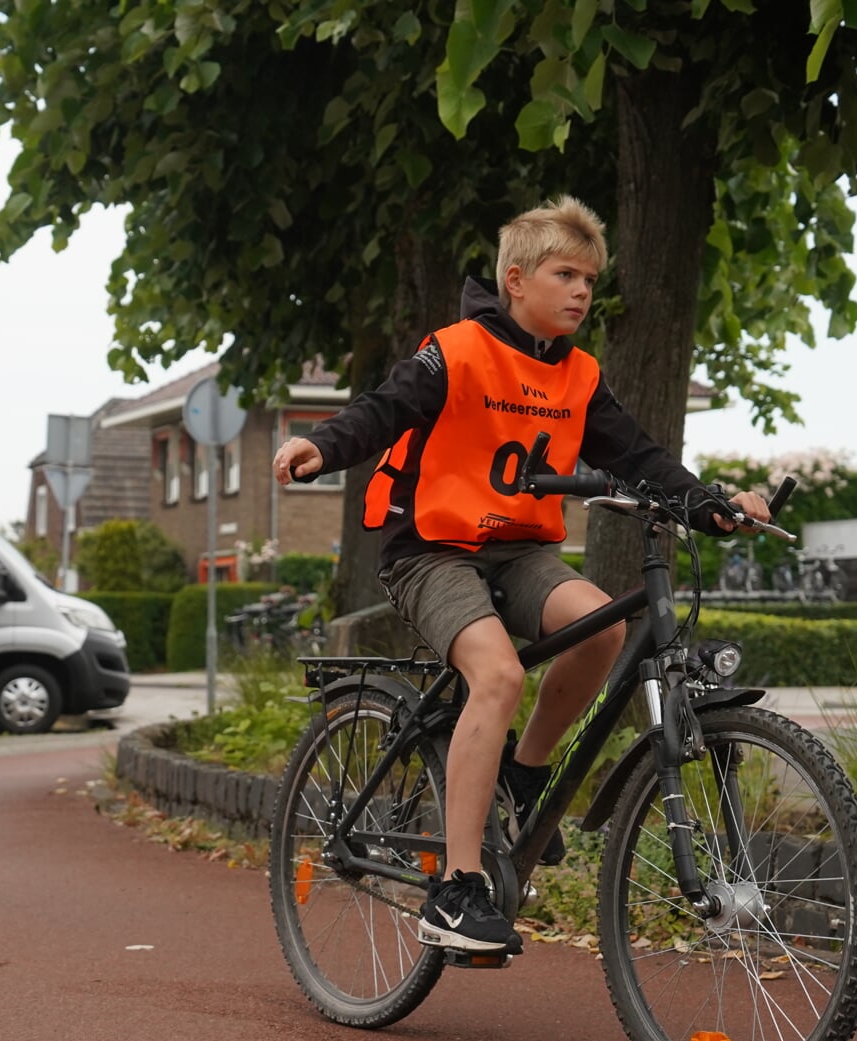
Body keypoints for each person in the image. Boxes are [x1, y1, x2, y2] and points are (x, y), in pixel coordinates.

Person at [271, 198, 770, 955]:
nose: (580, 292)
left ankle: (525, 774)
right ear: (515, 280)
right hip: (432, 548)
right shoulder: (459, 349)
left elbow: (639, 457)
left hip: (519, 553)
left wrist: (710, 506)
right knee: (497, 677)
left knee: (601, 626)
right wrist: (324, 446)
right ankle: (456, 888)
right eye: (564, 274)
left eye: (590, 280)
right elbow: (385, 408)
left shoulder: (580, 374)